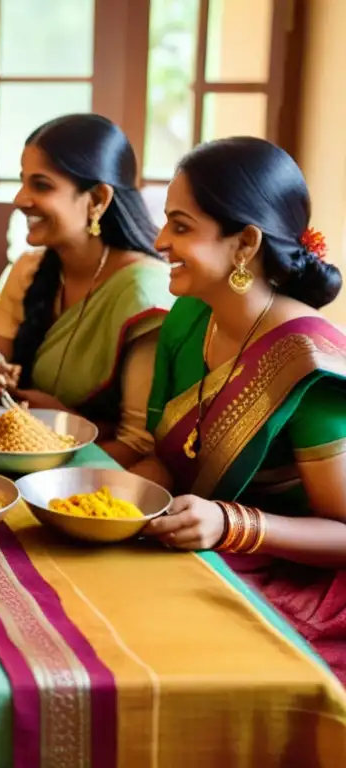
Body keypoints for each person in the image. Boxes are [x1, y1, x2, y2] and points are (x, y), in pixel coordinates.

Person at [130, 137, 346, 683]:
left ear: (245, 243)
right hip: (190, 551)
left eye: (181, 226)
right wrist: (126, 497)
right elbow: (164, 457)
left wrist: (231, 524)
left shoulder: (308, 361)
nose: (159, 240)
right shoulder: (186, 319)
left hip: (291, 586)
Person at [0, 114, 174, 467]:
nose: (20, 199)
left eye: (42, 185)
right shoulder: (30, 270)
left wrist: (67, 428)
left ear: (97, 199)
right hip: (15, 464)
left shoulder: (144, 291)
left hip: (93, 482)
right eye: (22, 182)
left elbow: (138, 446)